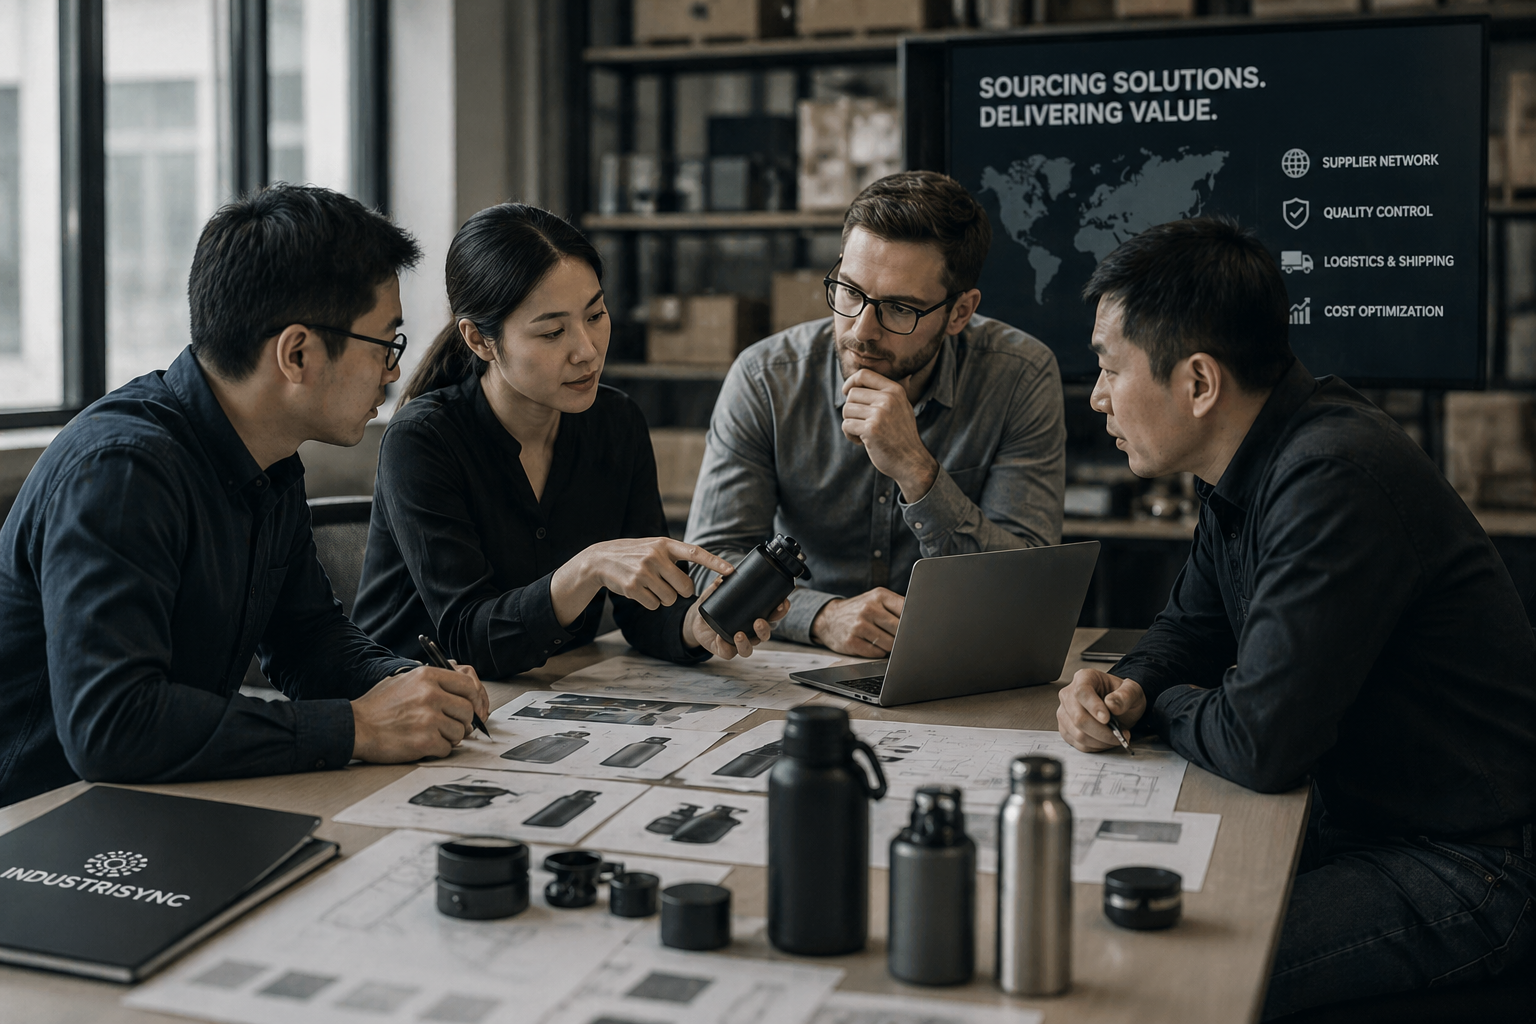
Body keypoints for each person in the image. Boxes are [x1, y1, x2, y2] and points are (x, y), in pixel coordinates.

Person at [1054, 218, 1536, 1017]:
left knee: (1144, 982)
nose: (1098, 396)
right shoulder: (1247, 463)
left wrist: (1161, 708)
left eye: (1110, 368)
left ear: (1199, 383)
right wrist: (1130, 683)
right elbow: (1190, 630)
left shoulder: (1332, 478)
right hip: (1349, 818)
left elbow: (1259, 742)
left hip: (1465, 863)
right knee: (1089, 911)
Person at [0, 184, 492, 808]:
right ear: (296, 353)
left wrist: (407, 684)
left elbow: (305, 637)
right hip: (37, 830)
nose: (395, 373)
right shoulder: (122, 472)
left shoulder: (268, 455)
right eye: (386, 344)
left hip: (148, 805)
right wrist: (360, 728)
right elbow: (113, 726)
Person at [351, 204, 782, 679]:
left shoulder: (616, 422)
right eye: (553, 331)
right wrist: (587, 569)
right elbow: (469, 637)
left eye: (596, 314)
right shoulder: (423, 440)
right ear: (479, 341)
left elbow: (641, 613)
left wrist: (696, 626)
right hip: (414, 700)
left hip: (546, 694)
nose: (587, 350)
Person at [685, 171, 1066, 657]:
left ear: (959, 313)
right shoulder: (766, 377)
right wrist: (821, 615)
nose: (862, 330)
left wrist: (917, 470)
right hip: (801, 658)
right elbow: (708, 565)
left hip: (958, 655)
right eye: (850, 291)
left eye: (900, 309)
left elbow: (1030, 587)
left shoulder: (1019, 375)